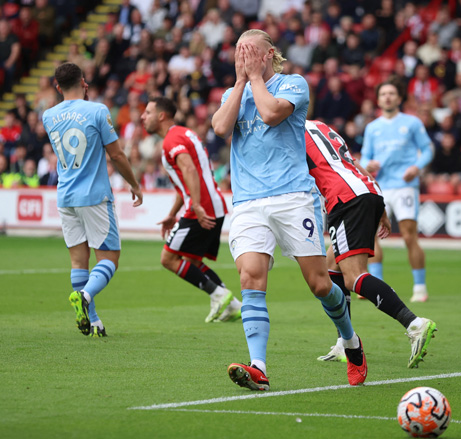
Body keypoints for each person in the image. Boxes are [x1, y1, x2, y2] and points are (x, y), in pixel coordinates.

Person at [211, 29, 366, 391]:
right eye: (238, 52)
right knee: (250, 277)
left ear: (269, 55)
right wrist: (239, 84)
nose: (243, 57)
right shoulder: (232, 92)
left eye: (249, 52)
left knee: (319, 284)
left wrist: (252, 80)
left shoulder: (293, 84)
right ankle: (258, 367)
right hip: (248, 201)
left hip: (293, 197)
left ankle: (351, 341)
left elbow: (269, 114)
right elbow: (220, 127)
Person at [304, 120, 437, 368]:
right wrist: (381, 206)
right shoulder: (321, 127)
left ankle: (414, 324)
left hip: (344, 198)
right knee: (333, 266)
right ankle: (345, 342)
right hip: (366, 190)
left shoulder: (288, 129)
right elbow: (354, 164)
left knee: (353, 277)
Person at [42, 62, 143, 337]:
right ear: (84, 83)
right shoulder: (97, 110)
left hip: (65, 196)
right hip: (95, 196)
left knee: (79, 262)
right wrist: (134, 183)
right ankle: (85, 297)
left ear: (57, 86)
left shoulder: (48, 116)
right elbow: (117, 155)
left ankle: (94, 322)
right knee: (110, 257)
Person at [141, 97, 241, 324]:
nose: (142, 117)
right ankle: (233, 305)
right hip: (211, 205)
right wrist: (172, 212)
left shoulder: (171, 141)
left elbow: (188, 169)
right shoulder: (185, 133)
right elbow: (186, 178)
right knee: (192, 261)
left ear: (161, 116)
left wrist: (195, 205)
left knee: (168, 258)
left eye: (147, 112)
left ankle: (220, 295)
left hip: (201, 208)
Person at [360, 79, 434, 303]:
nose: (388, 97)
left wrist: (417, 167)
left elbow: (428, 149)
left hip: (404, 186)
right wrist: (368, 164)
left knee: (409, 235)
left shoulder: (411, 123)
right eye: (383, 94)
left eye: (392, 93)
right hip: (380, 186)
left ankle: (420, 288)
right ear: (379, 99)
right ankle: (378, 287)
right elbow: (365, 156)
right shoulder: (372, 127)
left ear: (399, 98)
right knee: (372, 236)